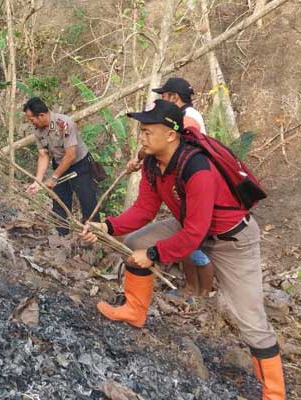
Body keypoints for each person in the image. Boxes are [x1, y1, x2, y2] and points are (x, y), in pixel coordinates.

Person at [81, 99, 285, 399]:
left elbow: (195, 233)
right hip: (193, 225)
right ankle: (134, 311)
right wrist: (107, 227)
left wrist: (154, 256)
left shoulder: (196, 168)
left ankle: (275, 392)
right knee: (135, 242)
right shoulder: (154, 164)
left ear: (171, 134)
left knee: (250, 319)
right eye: (141, 130)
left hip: (232, 240)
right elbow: (144, 210)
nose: (142, 137)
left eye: (148, 131)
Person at [128, 77, 213, 297]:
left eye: (163, 96)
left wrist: (152, 253)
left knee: (196, 249)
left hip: (197, 197)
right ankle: (191, 289)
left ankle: (202, 293)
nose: (161, 100)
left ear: (174, 97)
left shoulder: (188, 119)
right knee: (187, 247)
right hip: (184, 198)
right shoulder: (179, 119)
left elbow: (179, 148)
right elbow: (144, 208)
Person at [23, 97, 99, 235]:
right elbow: (43, 155)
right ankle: (62, 237)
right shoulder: (38, 130)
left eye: (31, 119)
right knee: (59, 203)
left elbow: (70, 155)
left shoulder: (64, 123)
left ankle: (95, 237)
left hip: (79, 165)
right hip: (59, 165)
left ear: (41, 115)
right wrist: (38, 181)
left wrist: (54, 177)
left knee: (88, 202)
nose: (31, 122)